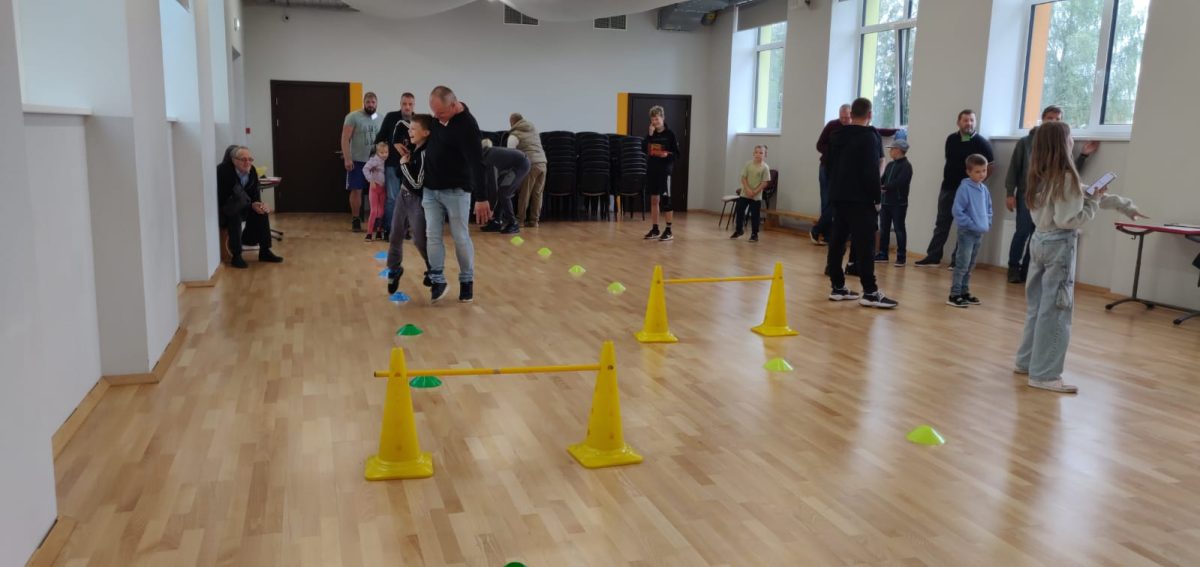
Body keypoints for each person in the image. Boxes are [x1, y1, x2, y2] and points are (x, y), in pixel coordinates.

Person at [1014, 121, 1144, 393]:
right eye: (1071, 136)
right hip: (1058, 247)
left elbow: (1085, 193)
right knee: (1056, 311)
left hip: (1039, 242)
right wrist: (1093, 202)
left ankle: (1026, 362)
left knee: (1038, 308)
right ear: (1063, 143)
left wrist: (1124, 206)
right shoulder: (1064, 178)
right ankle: (1045, 375)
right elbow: (1069, 218)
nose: (1074, 140)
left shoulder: (1040, 176)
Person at [1004, 105, 1099, 283]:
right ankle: (1013, 268)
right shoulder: (1025, 142)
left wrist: (1084, 155)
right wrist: (1010, 193)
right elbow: (1014, 169)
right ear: (1042, 119)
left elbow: (1068, 173)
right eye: (1050, 118)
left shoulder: (1062, 143)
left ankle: (1028, 270)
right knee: (1022, 231)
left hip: (1049, 197)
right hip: (1027, 194)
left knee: (1038, 232)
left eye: (1057, 119)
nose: (1053, 122)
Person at [825, 98, 898, 309]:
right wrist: (877, 198)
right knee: (865, 245)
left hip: (838, 196)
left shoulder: (836, 135)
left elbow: (828, 165)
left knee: (837, 242)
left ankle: (837, 287)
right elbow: (870, 171)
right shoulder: (869, 136)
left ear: (851, 114)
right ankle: (870, 292)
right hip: (861, 199)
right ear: (870, 115)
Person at [420, 86, 487, 304]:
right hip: (431, 189)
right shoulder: (438, 118)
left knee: (460, 237)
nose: (436, 116)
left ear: (453, 105)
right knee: (432, 235)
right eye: (433, 111)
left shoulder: (467, 126)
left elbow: (477, 163)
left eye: (440, 112)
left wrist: (481, 198)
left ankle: (467, 281)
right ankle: (438, 280)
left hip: (457, 191)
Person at [914, 109, 995, 267]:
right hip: (948, 188)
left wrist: (976, 183)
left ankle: (957, 261)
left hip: (968, 192)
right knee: (941, 223)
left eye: (972, 120)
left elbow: (990, 166)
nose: (969, 123)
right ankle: (933, 257)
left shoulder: (982, 143)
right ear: (958, 122)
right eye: (965, 120)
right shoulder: (951, 139)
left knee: (964, 227)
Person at [386, 114, 434, 295]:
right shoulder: (414, 145)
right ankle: (394, 269)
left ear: (426, 133)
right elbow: (400, 124)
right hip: (402, 195)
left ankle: (433, 269)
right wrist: (396, 144)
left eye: (414, 129)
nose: (409, 132)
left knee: (419, 239)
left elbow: (417, 184)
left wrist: (403, 165)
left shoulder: (425, 153)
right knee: (395, 234)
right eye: (410, 128)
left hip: (416, 200)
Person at [217, 146, 283, 269]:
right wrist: (251, 204)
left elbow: (255, 194)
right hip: (227, 209)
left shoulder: (252, 170)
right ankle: (237, 255)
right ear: (234, 160)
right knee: (235, 216)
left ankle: (265, 251)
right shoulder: (224, 171)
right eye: (243, 159)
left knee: (261, 212)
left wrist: (259, 204)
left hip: (244, 205)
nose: (247, 162)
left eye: (250, 159)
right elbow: (233, 195)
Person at [946, 154, 993, 308]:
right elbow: (957, 211)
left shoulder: (984, 189)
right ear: (969, 172)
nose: (982, 174)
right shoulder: (964, 188)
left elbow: (989, 208)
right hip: (967, 232)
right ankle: (954, 294)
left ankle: (964, 292)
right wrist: (971, 224)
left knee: (971, 264)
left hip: (979, 233)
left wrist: (987, 223)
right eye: (978, 171)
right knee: (962, 264)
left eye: (984, 170)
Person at [375, 92, 417, 241]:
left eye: (410, 104)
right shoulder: (391, 117)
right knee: (392, 199)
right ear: (400, 104)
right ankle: (388, 230)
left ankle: (404, 230)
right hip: (392, 165)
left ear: (414, 105)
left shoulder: (418, 121)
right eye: (404, 104)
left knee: (408, 199)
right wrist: (382, 154)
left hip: (410, 167)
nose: (407, 107)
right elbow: (379, 139)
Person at [341, 92, 382, 232]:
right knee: (356, 190)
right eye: (368, 102)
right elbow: (345, 138)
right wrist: (347, 158)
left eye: (373, 102)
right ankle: (356, 219)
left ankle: (376, 219)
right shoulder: (353, 117)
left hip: (375, 162)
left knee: (377, 191)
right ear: (364, 102)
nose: (370, 105)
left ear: (376, 103)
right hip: (357, 161)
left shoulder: (380, 118)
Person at [812, 104, 852, 245]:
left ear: (852, 115)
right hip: (826, 167)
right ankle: (826, 235)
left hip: (841, 170)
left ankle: (818, 230)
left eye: (847, 117)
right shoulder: (832, 125)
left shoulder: (854, 129)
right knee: (826, 201)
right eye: (842, 117)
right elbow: (819, 145)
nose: (844, 120)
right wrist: (832, 151)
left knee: (834, 201)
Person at [643, 106, 681, 241]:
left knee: (666, 200)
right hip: (652, 170)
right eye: (653, 119)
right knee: (654, 200)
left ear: (663, 118)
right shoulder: (651, 134)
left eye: (657, 119)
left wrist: (667, 155)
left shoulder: (670, 134)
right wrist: (649, 135)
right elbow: (643, 149)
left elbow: (677, 154)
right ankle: (655, 229)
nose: (655, 122)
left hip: (665, 171)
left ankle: (669, 230)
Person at [480, 139, 531, 234]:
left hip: (521, 164)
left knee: (504, 193)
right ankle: (497, 222)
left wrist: (490, 209)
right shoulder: (488, 153)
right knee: (502, 191)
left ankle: (514, 223)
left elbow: (492, 187)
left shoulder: (489, 159)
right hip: (515, 164)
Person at [874, 139, 913, 266]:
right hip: (885, 202)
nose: (890, 151)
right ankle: (883, 254)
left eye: (892, 149)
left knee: (899, 229)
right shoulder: (890, 165)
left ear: (898, 150)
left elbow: (900, 182)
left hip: (898, 204)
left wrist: (885, 187)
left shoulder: (906, 166)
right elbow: (883, 179)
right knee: (884, 229)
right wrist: (878, 185)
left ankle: (901, 257)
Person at [508, 113, 548, 228]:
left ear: (512, 122)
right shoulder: (534, 130)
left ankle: (520, 220)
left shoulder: (514, 135)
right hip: (543, 163)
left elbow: (510, 154)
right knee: (538, 194)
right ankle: (534, 221)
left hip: (530, 164)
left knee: (525, 193)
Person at [730, 145, 770, 242]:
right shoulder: (748, 164)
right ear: (753, 153)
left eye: (761, 153)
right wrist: (748, 190)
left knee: (755, 215)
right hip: (745, 194)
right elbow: (743, 178)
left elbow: (764, 182)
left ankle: (754, 234)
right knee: (740, 211)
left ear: (765, 155)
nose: (758, 154)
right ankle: (739, 230)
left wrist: (755, 192)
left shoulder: (765, 167)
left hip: (756, 196)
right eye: (756, 152)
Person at [363, 142, 389, 241]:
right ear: (377, 152)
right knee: (374, 211)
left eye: (386, 152)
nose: (384, 154)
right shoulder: (374, 160)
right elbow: (365, 169)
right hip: (374, 188)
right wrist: (371, 180)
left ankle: (379, 232)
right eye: (382, 152)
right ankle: (369, 233)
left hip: (383, 189)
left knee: (381, 211)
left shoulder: (388, 161)